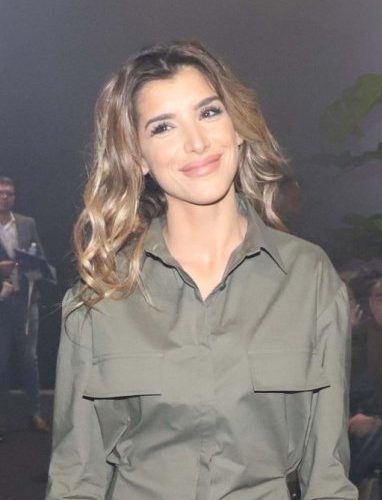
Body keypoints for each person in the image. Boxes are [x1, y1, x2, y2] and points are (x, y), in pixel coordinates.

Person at [46, 41, 356, 499]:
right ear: (138, 157)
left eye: (209, 113)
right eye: (163, 127)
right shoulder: (101, 293)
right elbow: (75, 480)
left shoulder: (308, 277)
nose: (196, 142)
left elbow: (328, 479)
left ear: (238, 127)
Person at [0, 176, 51, 440]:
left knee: (29, 360)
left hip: (25, 301)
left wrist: (33, 265)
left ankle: (35, 413)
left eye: (9, 193)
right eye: (1, 193)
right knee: (1, 362)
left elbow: (40, 258)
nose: (5, 197)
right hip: (1, 303)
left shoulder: (27, 223)